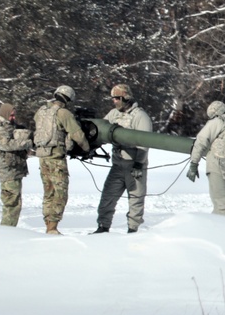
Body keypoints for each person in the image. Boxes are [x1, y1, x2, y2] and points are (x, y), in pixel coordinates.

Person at [92, 84, 153, 234]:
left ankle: (133, 229)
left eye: (117, 98)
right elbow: (101, 130)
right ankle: (103, 226)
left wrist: (139, 163)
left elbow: (145, 142)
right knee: (108, 196)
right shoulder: (113, 114)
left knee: (136, 198)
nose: (114, 101)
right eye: (113, 98)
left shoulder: (140, 116)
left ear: (126, 98)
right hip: (118, 164)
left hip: (134, 165)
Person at [33, 85, 90, 235]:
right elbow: (77, 134)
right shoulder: (63, 113)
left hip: (42, 157)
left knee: (49, 191)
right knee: (60, 192)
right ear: (69, 99)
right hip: (56, 158)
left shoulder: (41, 111)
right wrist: (86, 149)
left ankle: (48, 225)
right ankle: (52, 227)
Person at [0, 102, 33, 227]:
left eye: (14, 115)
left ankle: (9, 230)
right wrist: (26, 143)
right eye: (11, 115)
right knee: (11, 204)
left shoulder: (9, 126)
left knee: (15, 203)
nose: (13, 118)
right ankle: (7, 232)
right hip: (7, 171)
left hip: (14, 170)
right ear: (5, 114)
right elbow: (6, 144)